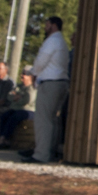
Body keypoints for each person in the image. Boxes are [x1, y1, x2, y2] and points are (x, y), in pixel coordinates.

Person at [29, 15, 69, 163]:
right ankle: (51, 151)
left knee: (43, 120)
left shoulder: (52, 41)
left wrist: (34, 74)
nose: (45, 28)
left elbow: (41, 61)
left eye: (47, 25)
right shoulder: (61, 42)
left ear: (53, 26)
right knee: (53, 120)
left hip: (50, 82)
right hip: (61, 82)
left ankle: (41, 154)